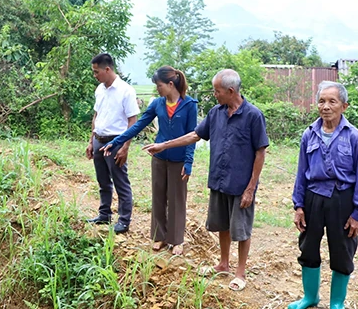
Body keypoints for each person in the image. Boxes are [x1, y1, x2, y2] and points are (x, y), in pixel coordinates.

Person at [143, 69, 267, 291]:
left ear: (230, 91)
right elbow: (195, 135)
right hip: (219, 179)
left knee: (242, 229)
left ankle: (240, 273)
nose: (214, 95)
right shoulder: (216, 113)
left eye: (217, 91)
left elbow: (260, 152)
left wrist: (251, 187)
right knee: (222, 225)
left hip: (241, 184)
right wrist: (164, 145)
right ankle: (223, 264)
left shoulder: (253, 116)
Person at [287, 80, 358, 309]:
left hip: (341, 200)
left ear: (344, 106)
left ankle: (337, 303)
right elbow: (301, 172)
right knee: (308, 246)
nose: (326, 106)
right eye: (322, 101)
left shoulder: (355, 137)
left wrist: (357, 214)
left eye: (332, 101)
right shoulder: (309, 134)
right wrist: (298, 205)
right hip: (313, 197)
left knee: (342, 249)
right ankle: (310, 297)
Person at [102, 66, 198, 255]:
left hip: (179, 160)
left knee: (177, 199)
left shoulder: (189, 105)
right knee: (158, 197)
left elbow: (192, 137)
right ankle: (160, 237)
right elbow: (138, 125)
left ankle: (176, 239)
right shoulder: (158, 104)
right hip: (159, 158)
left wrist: (188, 162)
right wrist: (116, 141)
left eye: (159, 86)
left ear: (171, 84)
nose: (157, 89)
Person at [86, 53, 139, 234]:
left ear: (107, 69)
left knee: (120, 182)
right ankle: (104, 214)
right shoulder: (100, 89)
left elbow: (133, 120)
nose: (95, 75)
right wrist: (91, 141)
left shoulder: (126, 91)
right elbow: (96, 115)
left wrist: (125, 147)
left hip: (116, 141)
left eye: (96, 72)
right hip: (99, 139)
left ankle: (124, 221)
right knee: (103, 181)